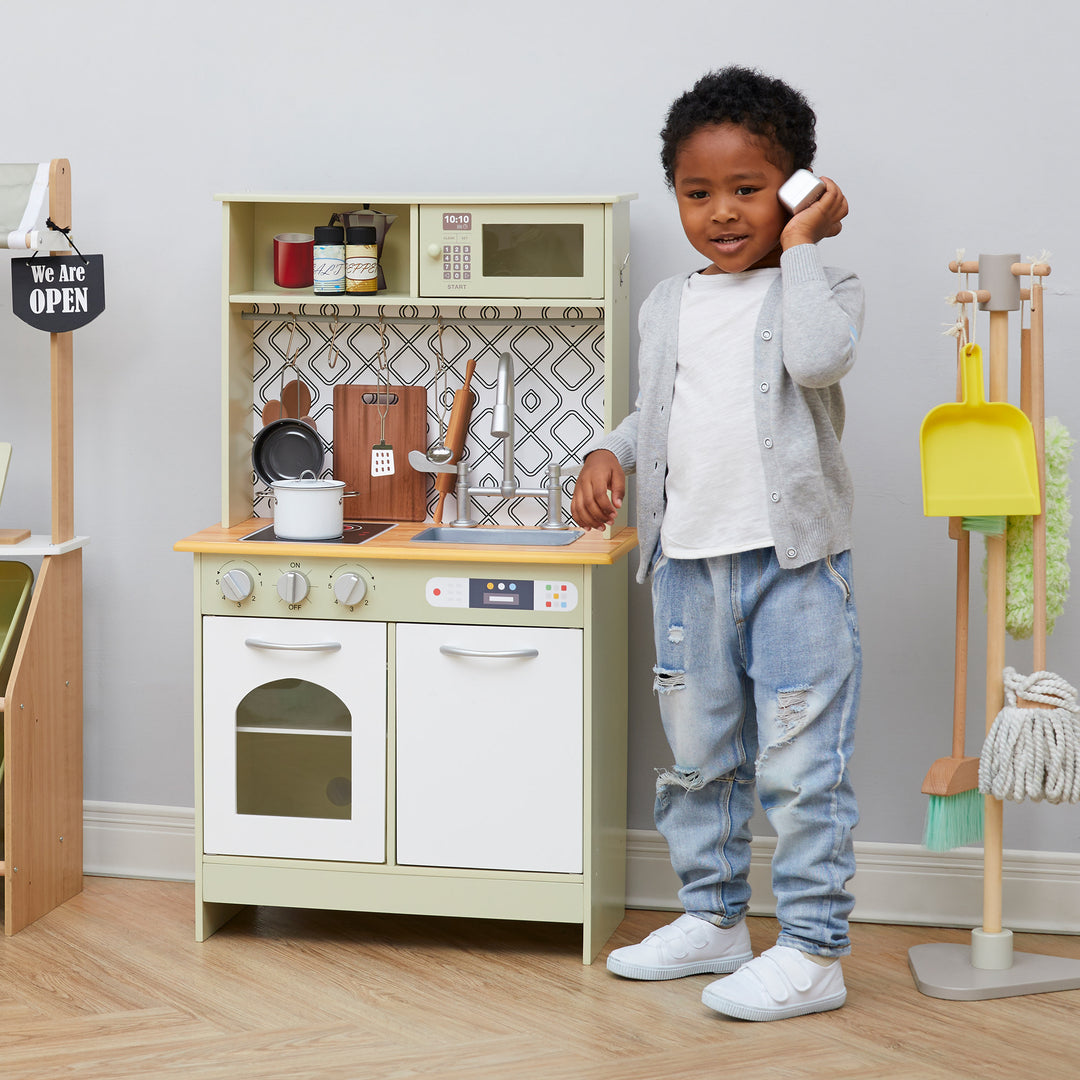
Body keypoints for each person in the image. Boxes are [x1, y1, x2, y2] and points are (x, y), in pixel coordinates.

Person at [571, 66, 864, 1022]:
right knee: (698, 761)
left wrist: (809, 242)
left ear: (795, 187)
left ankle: (816, 952)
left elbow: (818, 359)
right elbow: (658, 409)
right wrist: (608, 450)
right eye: (699, 194)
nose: (723, 213)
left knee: (798, 766)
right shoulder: (668, 304)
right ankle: (714, 918)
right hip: (688, 567)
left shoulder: (818, 285)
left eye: (750, 189)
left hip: (794, 571)